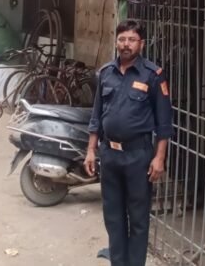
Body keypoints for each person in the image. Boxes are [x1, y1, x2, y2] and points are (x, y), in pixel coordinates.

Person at [85, 19, 173, 266]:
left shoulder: (153, 76)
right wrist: (91, 150)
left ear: (141, 44)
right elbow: (96, 115)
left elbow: (164, 122)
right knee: (113, 217)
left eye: (132, 40)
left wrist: (159, 158)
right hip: (109, 155)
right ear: (116, 42)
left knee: (138, 219)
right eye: (122, 39)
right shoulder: (106, 73)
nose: (126, 44)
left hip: (138, 157)